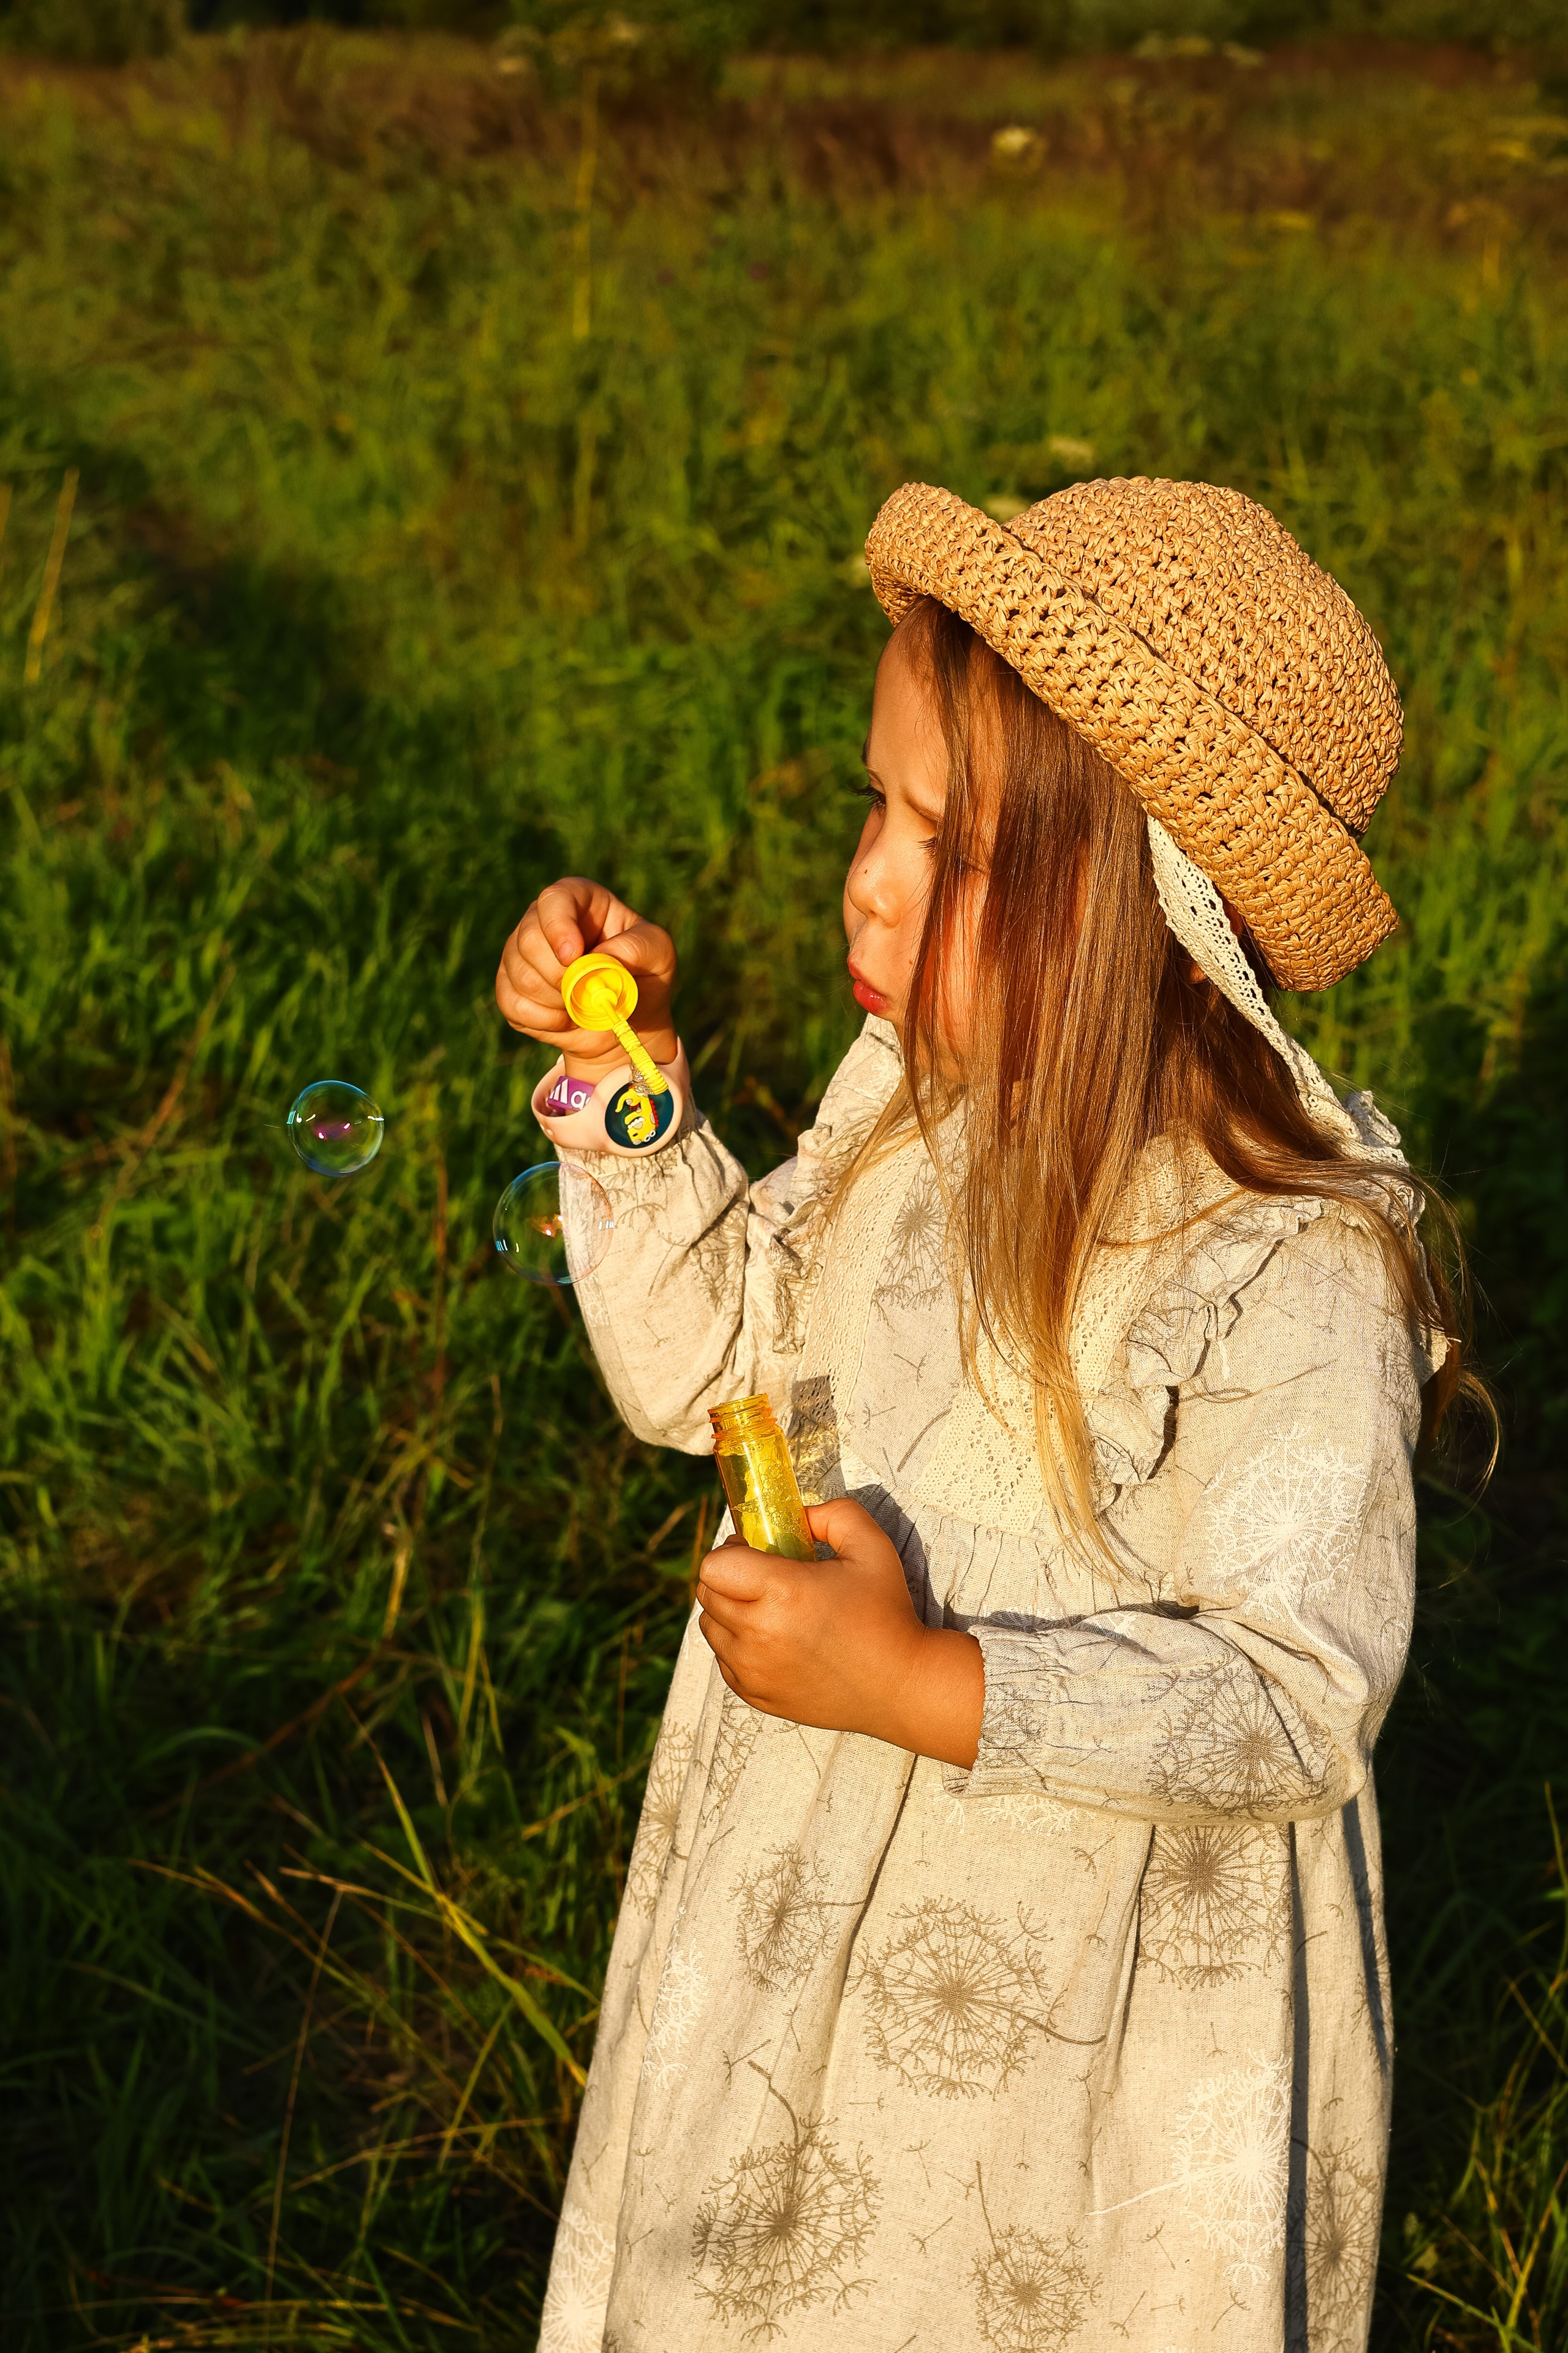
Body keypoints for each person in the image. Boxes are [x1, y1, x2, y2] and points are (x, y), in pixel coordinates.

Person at [496, 477, 1474, 2353]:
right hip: (802, 1918)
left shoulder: (1292, 1260)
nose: (866, 873)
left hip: (1069, 2035)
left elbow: (1294, 1689)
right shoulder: (918, 1108)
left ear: (1149, 911)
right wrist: (622, 1086)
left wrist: (927, 1682)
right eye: (877, 802)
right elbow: (711, 1370)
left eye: (946, 844)